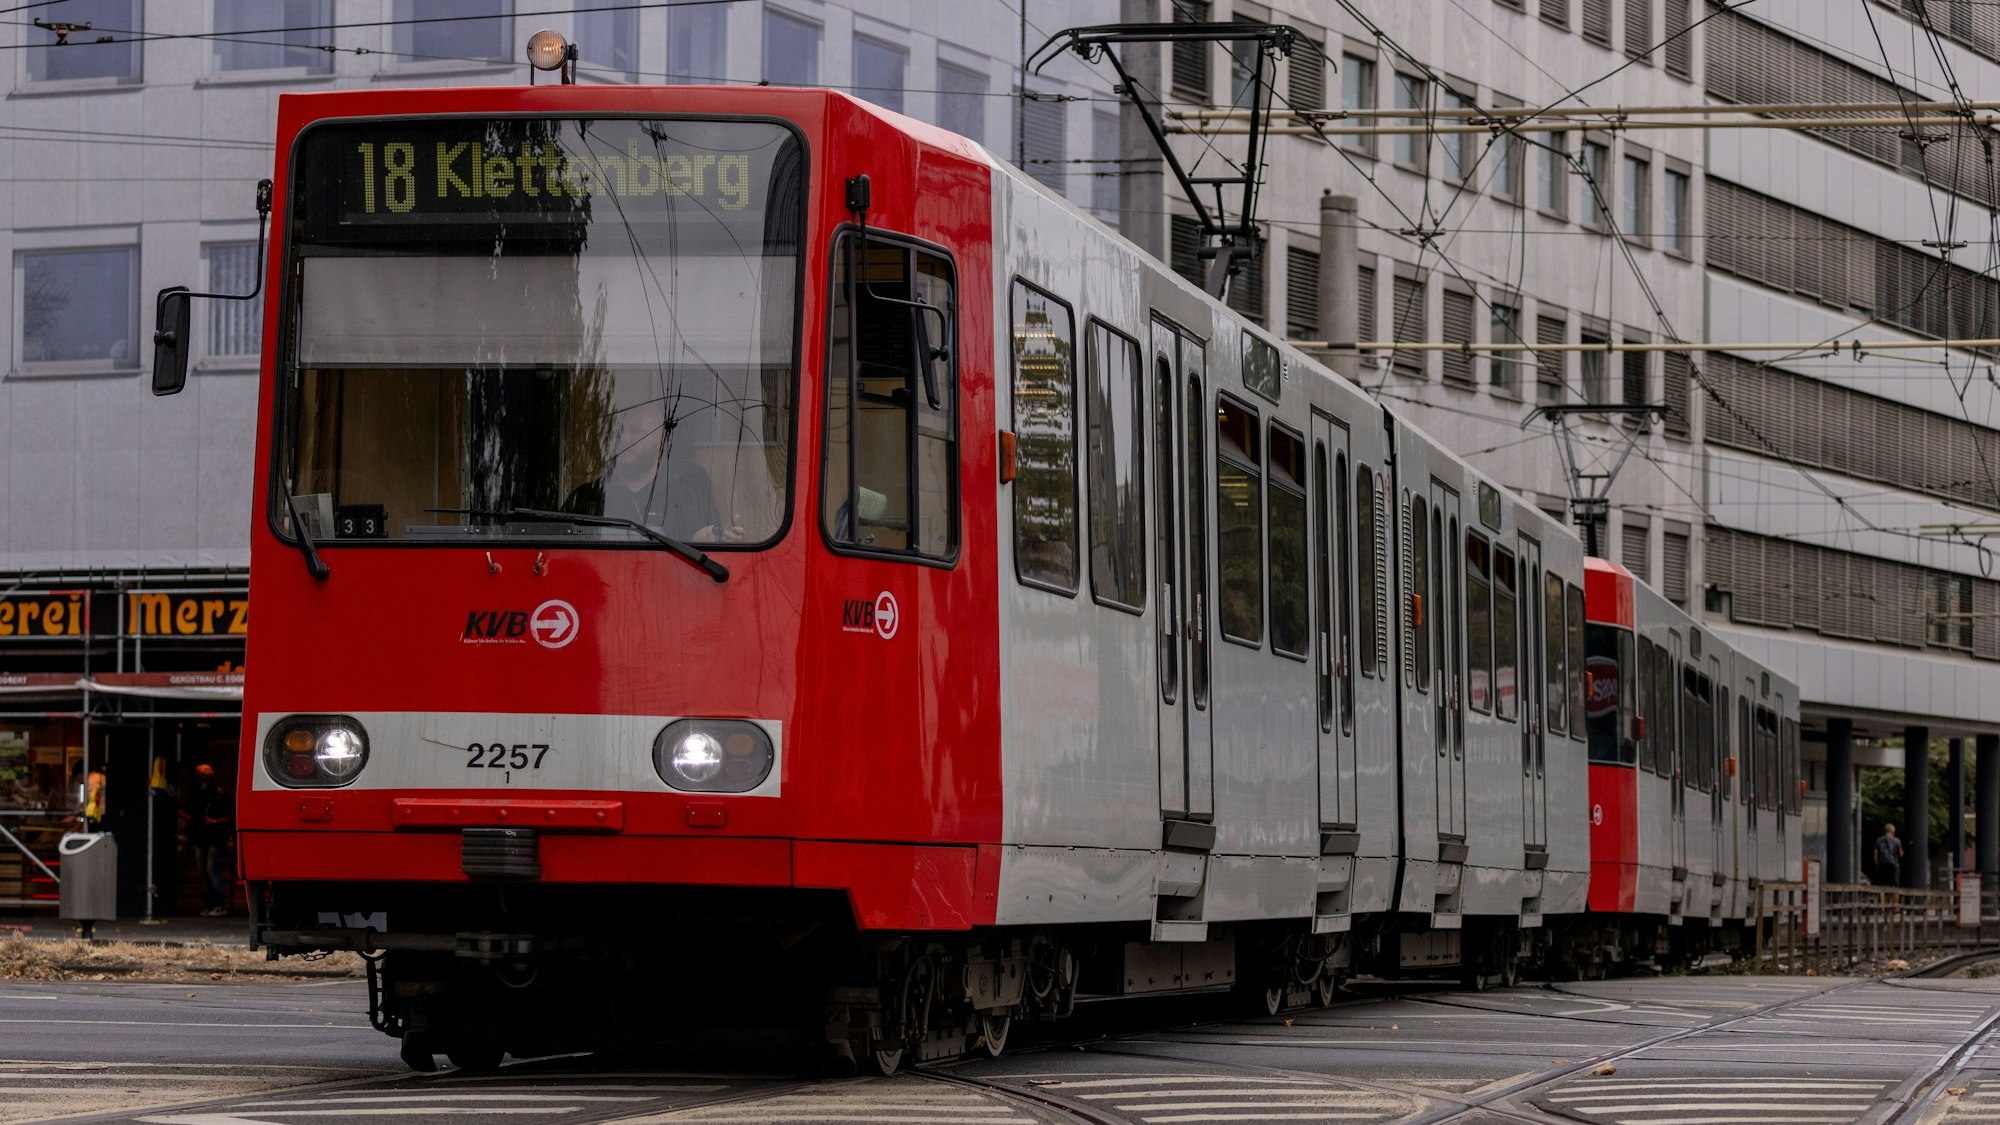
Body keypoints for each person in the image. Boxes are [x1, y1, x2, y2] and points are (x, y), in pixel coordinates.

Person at [563, 393, 745, 544]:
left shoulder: (689, 491)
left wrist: (704, 541)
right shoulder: (586, 497)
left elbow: (703, 559)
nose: (624, 439)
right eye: (620, 431)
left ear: (661, 441)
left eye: (637, 431)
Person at [187, 764, 232, 917]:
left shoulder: (218, 791)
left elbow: (230, 813)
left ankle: (219, 905)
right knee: (203, 872)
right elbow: (190, 811)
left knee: (211, 869)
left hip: (216, 835)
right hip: (200, 836)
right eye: (201, 774)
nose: (203, 777)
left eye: (206, 774)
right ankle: (208, 905)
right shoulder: (195, 792)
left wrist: (215, 821)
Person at [1874, 822, 1906, 887]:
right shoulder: (1897, 841)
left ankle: (1882, 897)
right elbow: (1900, 854)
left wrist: (1878, 865)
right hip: (1894, 865)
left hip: (1883, 864)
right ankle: (1895, 897)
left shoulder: (1879, 840)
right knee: (1895, 885)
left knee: (1882, 886)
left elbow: (1875, 856)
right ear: (1893, 831)